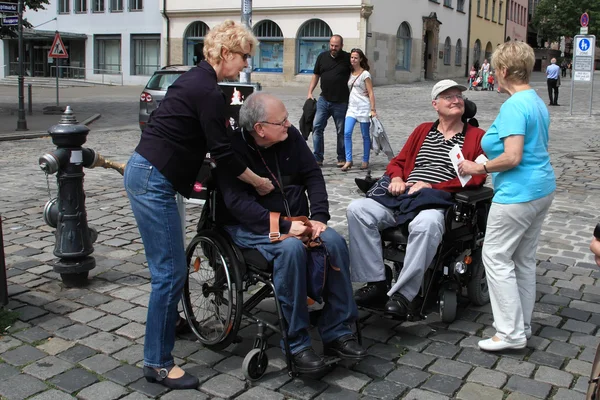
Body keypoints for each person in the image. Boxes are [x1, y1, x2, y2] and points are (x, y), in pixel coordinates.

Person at [123, 20, 274, 390]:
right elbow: (220, 150)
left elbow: (187, 134)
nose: (244, 66)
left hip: (153, 173)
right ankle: (157, 363)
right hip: (152, 180)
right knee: (170, 273)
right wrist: (256, 180)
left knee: (168, 269)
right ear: (225, 54)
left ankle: (169, 323)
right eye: (243, 57)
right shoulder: (206, 90)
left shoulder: (196, 80)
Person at [215, 92, 367, 373]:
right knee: (291, 249)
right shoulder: (234, 150)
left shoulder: (291, 137)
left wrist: (318, 217)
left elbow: (312, 175)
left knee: (333, 241)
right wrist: (285, 227)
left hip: (296, 220)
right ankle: (296, 345)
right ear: (260, 128)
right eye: (281, 121)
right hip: (251, 227)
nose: (289, 124)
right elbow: (238, 205)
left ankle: (336, 331)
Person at [348, 79, 487, 318]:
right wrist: (397, 178)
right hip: (404, 195)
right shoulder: (423, 130)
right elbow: (398, 162)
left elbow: (477, 178)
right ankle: (376, 284)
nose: (456, 100)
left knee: (427, 224)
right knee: (357, 210)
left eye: (459, 96)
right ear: (435, 104)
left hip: (437, 200)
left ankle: (403, 295)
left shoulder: (475, 136)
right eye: (449, 97)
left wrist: (432, 185)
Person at [459, 41, 556, 352]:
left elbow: (513, 156)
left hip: (518, 193)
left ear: (501, 71)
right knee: (523, 260)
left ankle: (510, 333)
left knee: (497, 257)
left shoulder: (514, 106)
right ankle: (522, 325)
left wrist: (479, 166)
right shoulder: (536, 101)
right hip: (541, 188)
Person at [307, 35, 352, 167]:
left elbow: (359, 72)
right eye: (331, 45)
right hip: (324, 99)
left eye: (336, 46)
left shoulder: (347, 58)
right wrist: (310, 92)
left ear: (341, 46)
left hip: (341, 101)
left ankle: (341, 157)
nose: (333, 48)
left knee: (341, 131)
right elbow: (316, 75)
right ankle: (318, 157)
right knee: (317, 127)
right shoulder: (322, 57)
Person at [342, 48, 376, 171]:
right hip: (352, 108)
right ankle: (348, 160)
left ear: (360, 59)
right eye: (352, 57)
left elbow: (371, 92)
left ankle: (365, 160)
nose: (353, 60)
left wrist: (373, 109)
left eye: (356, 58)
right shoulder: (350, 72)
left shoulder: (365, 74)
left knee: (365, 136)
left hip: (363, 107)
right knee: (347, 133)